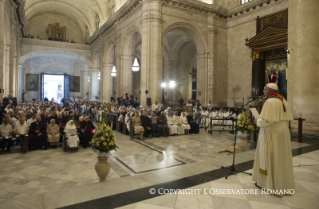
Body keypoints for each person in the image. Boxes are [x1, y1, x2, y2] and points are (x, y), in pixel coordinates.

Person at [252, 83, 294, 196]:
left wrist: (257, 121)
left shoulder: (270, 102)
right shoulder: (283, 100)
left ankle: (267, 184)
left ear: (269, 91)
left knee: (269, 158)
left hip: (271, 135)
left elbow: (268, 121)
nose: (263, 92)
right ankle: (283, 185)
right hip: (282, 135)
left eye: (264, 90)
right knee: (280, 159)